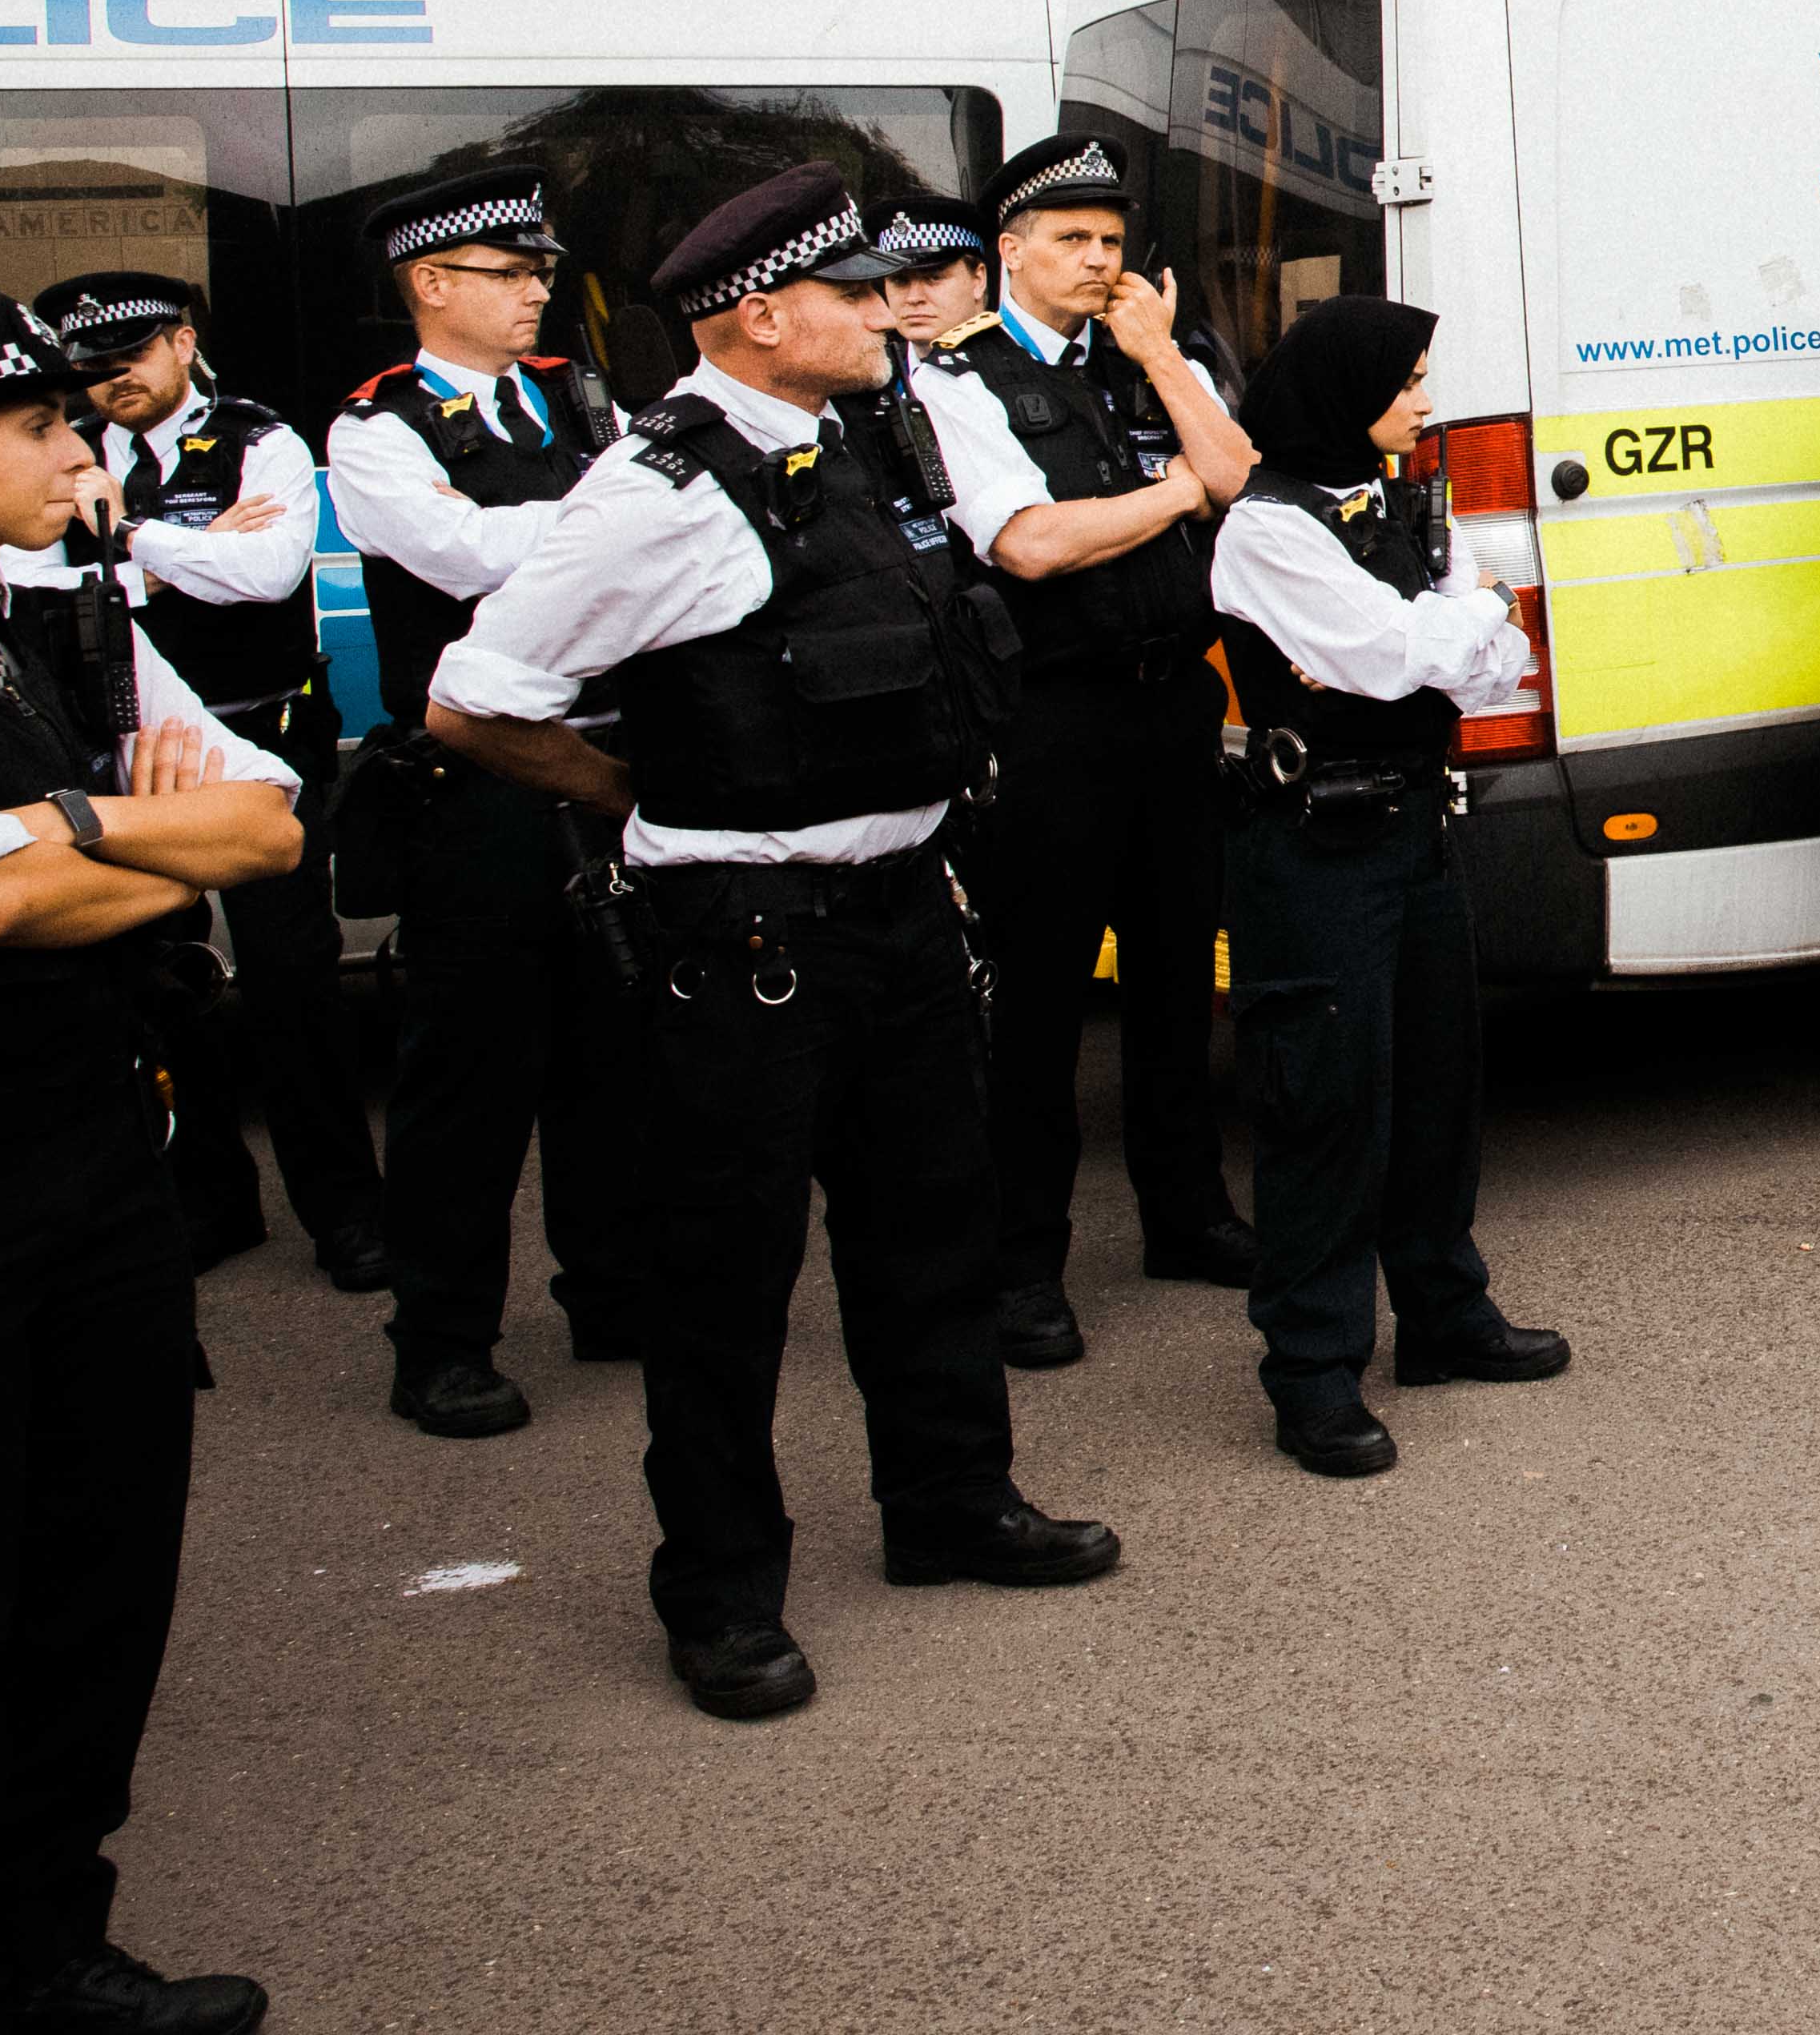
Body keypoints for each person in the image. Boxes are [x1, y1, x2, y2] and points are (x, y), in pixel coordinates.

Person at [424, 171, 1122, 1722]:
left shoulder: (869, 440)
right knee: (726, 1283)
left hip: (902, 911)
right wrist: (628, 793)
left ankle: (949, 1504)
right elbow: (475, 697)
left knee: (931, 1234)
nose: (893, 310)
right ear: (758, 316)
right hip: (748, 938)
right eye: (859, 293)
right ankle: (723, 1592)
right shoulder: (660, 493)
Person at [0, 287, 302, 2035]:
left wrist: (69, 828)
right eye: (39, 427)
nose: (82, 448)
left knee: (103, 1563)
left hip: (99, 1146)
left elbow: (269, 816)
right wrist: (78, 855)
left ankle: (48, 1939)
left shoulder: (71, 619)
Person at [907, 134, 1257, 1369]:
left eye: (1112, 241)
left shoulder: (1148, 361)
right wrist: (1176, 499)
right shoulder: (956, 379)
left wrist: (1160, 355)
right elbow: (1034, 544)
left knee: (1174, 980)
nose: (1099, 261)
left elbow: (1241, 474)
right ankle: (1020, 1266)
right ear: (1009, 253)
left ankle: (1189, 1216)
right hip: (1051, 722)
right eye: (1071, 240)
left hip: (1170, 709)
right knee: (1042, 1003)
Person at [1203, 295, 1568, 1476]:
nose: (1423, 401)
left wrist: (1457, 624)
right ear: (1342, 395)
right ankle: (1312, 1369)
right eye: (1407, 382)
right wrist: (1457, 621)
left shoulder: (1408, 505)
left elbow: (1494, 659)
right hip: (1312, 844)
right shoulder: (1268, 529)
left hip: (1415, 829)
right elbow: (1388, 660)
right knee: (1324, 1105)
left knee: (1436, 1086)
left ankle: (1443, 1314)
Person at [322, 167, 645, 1439]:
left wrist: (570, 520)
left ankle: (612, 1292)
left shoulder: (579, 392)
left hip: (600, 764)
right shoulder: (375, 427)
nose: (536, 292)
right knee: (467, 1079)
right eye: (510, 275)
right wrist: (599, 519)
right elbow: (457, 556)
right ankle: (441, 1338)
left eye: (539, 273)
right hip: (472, 786)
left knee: (610, 1055)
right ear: (432, 284)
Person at [26, 270, 384, 1297]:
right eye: (91, 370)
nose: (111, 384)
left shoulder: (257, 438)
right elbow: (35, 585)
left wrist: (128, 536)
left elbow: (269, 573)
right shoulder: (64, 448)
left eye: (129, 359)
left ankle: (349, 1214)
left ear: (182, 343)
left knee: (294, 981)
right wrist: (189, 553)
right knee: (168, 983)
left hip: (257, 742)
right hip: (132, 759)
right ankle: (211, 1199)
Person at [875, 195, 996, 345]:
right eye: (900, 281)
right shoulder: (876, 367)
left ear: (978, 280)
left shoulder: (1020, 365)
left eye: (934, 278)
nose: (914, 298)